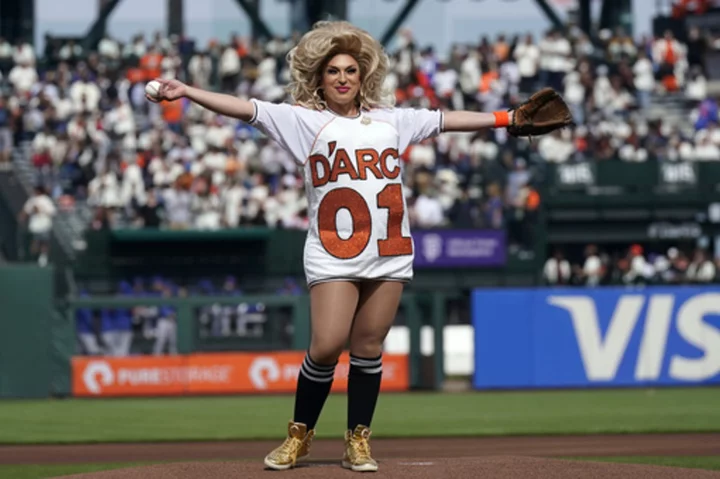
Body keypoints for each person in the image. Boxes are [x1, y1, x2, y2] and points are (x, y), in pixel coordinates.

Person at [146, 20, 562, 473]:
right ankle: (299, 435)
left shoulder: (391, 119)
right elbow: (244, 108)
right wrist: (185, 90)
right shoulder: (303, 121)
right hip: (332, 251)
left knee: (368, 346)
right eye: (333, 72)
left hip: (388, 248)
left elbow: (447, 121)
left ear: (362, 76)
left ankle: (357, 441)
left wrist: (508, 118)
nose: (343, 78)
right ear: (318, 79)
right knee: (326, 345)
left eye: (350, 70)